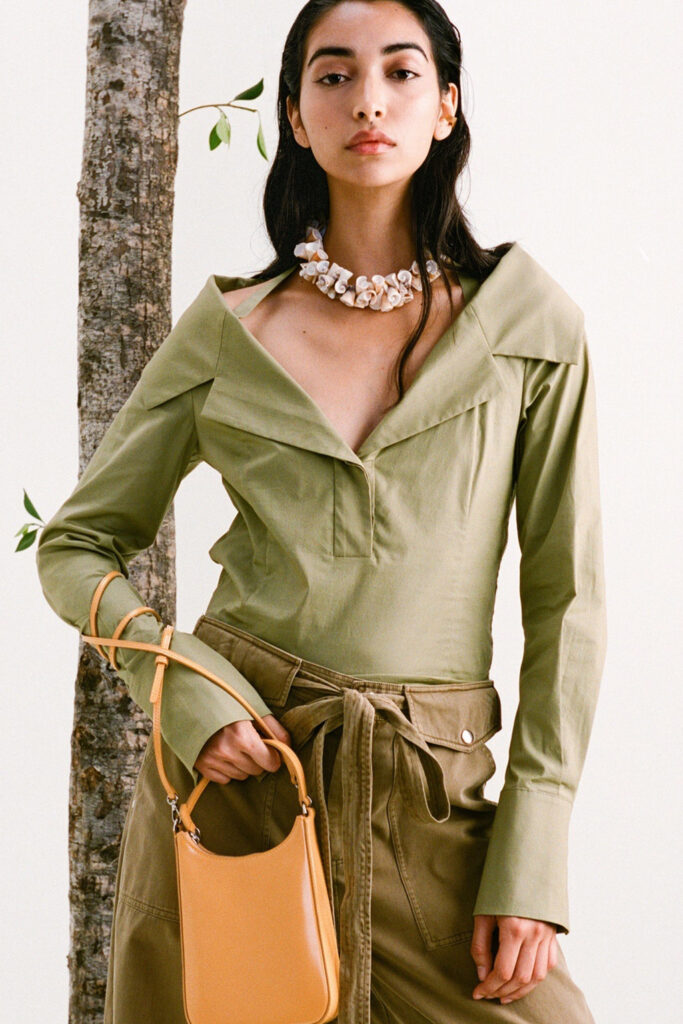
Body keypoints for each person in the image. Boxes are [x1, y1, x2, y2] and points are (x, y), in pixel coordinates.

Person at [35, 1, 607, 1022]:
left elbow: (568, 604)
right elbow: (77, 544)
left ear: (445, 106)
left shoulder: (529, 327)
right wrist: (185, 691)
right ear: (296, 116)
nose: (367, 101)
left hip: (433, 802)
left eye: (400, 72)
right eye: (333, 75)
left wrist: (532, 857)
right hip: (243, 786)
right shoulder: (230, 331)